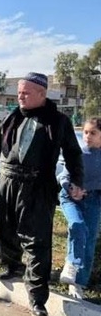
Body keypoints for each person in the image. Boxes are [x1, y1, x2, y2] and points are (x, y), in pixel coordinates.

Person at [0, 72, 83, 316]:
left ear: (42, 94)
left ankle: (37, 297)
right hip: (6, 181)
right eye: (19, 92)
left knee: (36, 240)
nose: (19, 96)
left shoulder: (58, 121)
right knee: (2, 229)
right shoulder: (12, 117)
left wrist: (76, 181)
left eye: (25, 92)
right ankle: (13, 266)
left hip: (37, 185)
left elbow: (74, 155)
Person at [57, 117, 101, 300]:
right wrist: (71, 188)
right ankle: (71, 264)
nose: (88, 136)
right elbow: (63, 176)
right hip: (71, 198)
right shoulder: (79, 153)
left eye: (93, 133)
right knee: (77, 225)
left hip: (94, 200)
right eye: (86, 132)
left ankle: (78, 284)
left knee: (89, 242)